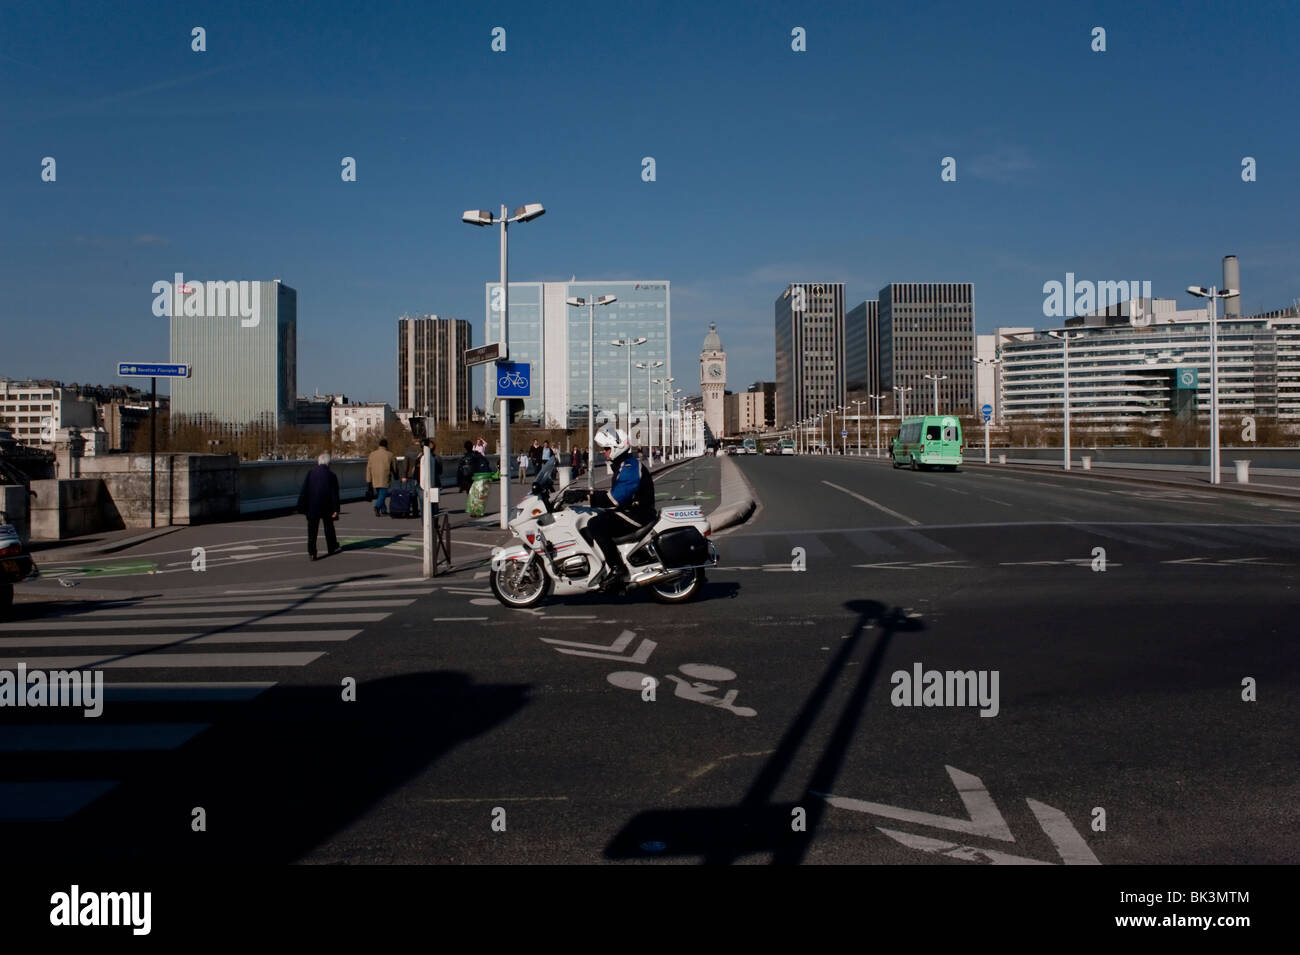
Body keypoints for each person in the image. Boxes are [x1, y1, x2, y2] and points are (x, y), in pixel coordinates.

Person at [582, 426, 656, 587]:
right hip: (633, 511)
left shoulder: (629, 467)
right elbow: (616, 493)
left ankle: (617, 568)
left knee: (596, 524)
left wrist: (586, 496)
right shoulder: (624, 464)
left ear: (616, 448)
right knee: (595, 517)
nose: (604, 452)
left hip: (638, 514)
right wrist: (587, 494)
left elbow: (615, 499)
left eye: (607, 448)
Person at [297, 452, 341, 561]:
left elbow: (304, 490)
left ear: (318, 462)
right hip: (327, 505)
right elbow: (335, 494)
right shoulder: (332, 475)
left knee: (312, 530)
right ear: (328, 463)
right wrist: (336, 509)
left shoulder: (310, 473)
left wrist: (302, 505)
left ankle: (312, 552)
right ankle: (332, 546)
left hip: (312, 505)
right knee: (329, 527)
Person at [367, 438, 399, 516]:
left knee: (380, 494)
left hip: (375, 477)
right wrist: (396, 475)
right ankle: (377, 507)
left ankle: (383, 510)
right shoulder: (390, 454)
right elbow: (394, 467)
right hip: (384, 476)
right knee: (383, 493)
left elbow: (368, 468)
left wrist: (368, 480)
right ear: (386, 445)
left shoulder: (372, 454)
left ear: (379, 445)